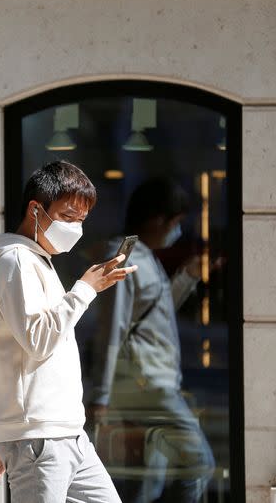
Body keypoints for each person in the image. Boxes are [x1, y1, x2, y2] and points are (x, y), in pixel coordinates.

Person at [0, 160, 137, 503]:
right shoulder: (14, 261)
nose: (75, 228)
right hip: (40, 439)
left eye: (81, 221)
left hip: (66, 433)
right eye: (67, 217)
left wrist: (6, 434)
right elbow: (38, 339)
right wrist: (86, 289)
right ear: (36, 210)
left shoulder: (35, 261)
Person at [88, 177, 216, 503]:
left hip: (153, 383)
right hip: (148, 387)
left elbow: (152, 313)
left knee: (149, 483)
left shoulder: (141, 253)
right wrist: (101, 396)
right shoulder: (125, 255)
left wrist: (187, 277)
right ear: (157, 219)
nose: (176, 231)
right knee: (199, 464)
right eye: (175, 223)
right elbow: (112, 327)